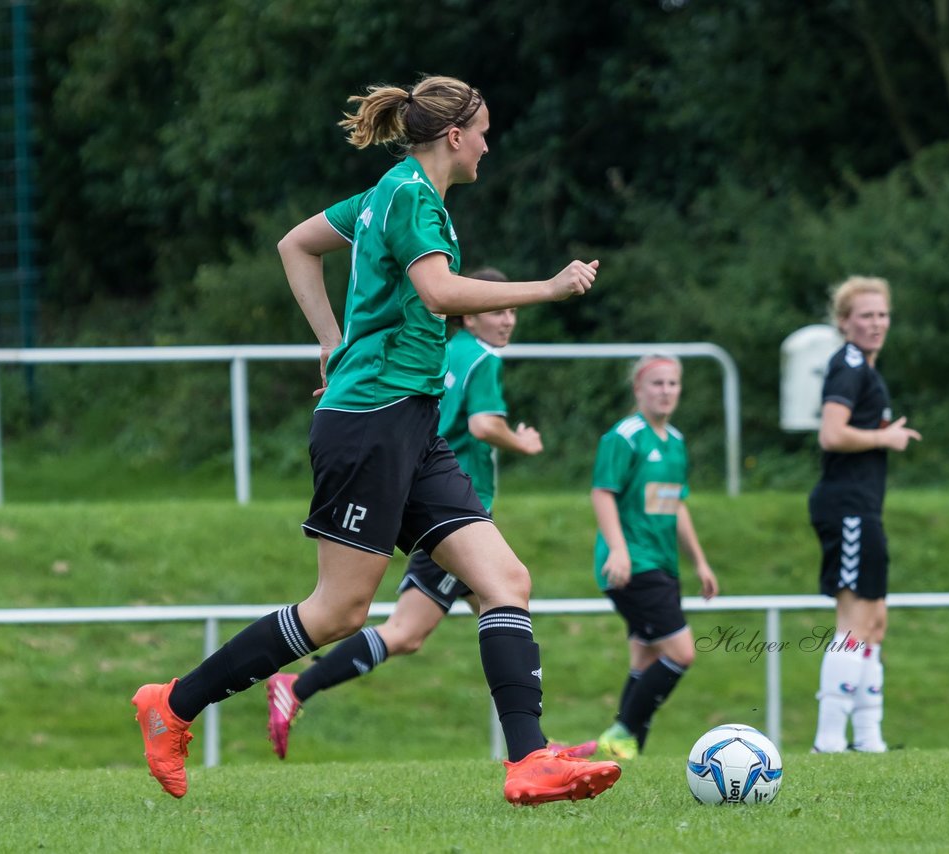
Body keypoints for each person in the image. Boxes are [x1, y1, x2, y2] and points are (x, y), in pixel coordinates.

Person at [130, 75, 621, 806]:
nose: (489, 143)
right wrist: (545, 289)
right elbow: (441, 294)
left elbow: (296, 244)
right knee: (338, 613)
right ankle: (171, 704)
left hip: (412, 423)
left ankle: (529, 761)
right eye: (484, 130)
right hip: (371, 423)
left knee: (504, 580)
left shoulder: (387, 193)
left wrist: (334, 344)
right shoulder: (412, 197)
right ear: (455, 136)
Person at [265, 267, 596, 759]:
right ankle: (296, 688)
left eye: (510, 312)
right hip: (451, 509)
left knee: (499, 605)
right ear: (470, 313)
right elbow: (484, 425)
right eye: (497, 309)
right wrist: (521, 441)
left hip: (425, 494)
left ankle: (535, 745)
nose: (506, 321)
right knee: (408, 630)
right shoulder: (482, 358)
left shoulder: (445, 348)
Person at [809, 275, 921, 754]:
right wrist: (884, 438)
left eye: (882, 315)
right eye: (865, 316)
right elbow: (831, 434)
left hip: (863, 507)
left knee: (875, 621)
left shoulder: (865, 370)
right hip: (847, 507)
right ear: (844, 322)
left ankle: (870, 739)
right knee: (854, 623)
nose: (876, 323)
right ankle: (829, 742)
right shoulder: (849, 366)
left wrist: (878, 432)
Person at [590, 354, 719, 761]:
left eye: (673, 384)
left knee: (645, 656)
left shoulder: (676, 442)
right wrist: (619, 549)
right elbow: (602, 492)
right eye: (657, 384)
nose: (666, 391)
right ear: (638, 390)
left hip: (662, 563)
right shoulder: (625, 436)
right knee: (681, 653)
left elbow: (676, 505)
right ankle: (622, 729)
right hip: (633, 565)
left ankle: (628, 752)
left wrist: (699, 561)